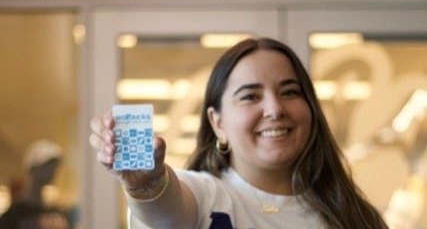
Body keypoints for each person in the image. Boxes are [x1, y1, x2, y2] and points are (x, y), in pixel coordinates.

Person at [89, 37, 389, 229]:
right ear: (217, 122)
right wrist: (149, 186)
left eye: (290, 92)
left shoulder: (357, 217)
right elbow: (166, 213)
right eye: (250, 96)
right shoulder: (204, 196)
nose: (275, 109)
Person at [0, 139, 71, 229]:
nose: (52, 171)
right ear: (33, 169)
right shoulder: (13, 216)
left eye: (54, 166)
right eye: (47, 166)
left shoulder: (59, 215)